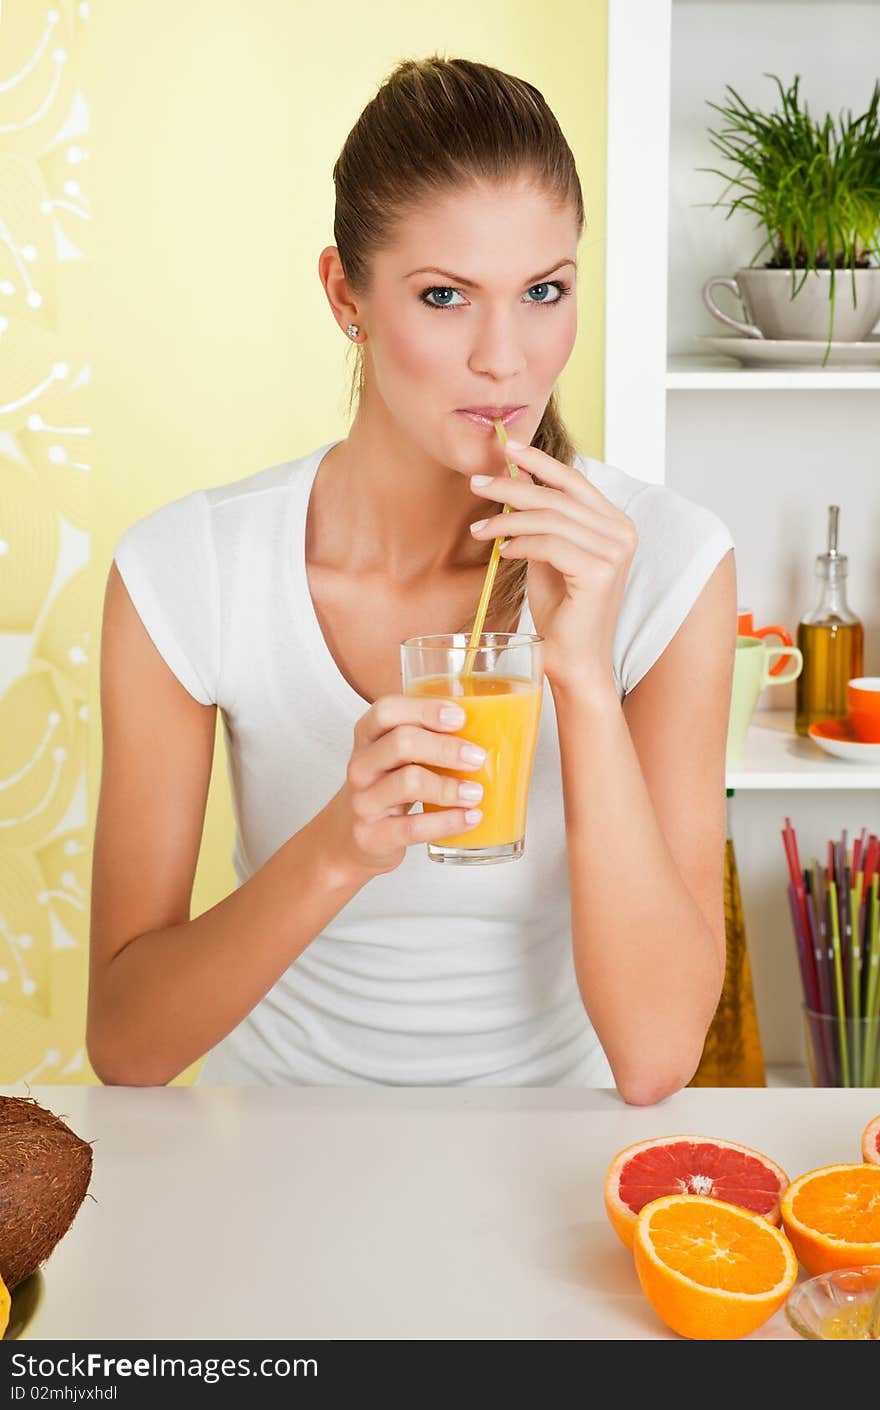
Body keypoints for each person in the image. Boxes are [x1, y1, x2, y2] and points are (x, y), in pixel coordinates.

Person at [87, 56, 737, 1100]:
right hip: (275, 1159)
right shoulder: (189, 569)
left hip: (554, 1170)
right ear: (346, 294)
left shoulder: (666, 562)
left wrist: (579, 679)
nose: (506, 359)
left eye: (543, 292)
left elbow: (657, 1057)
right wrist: (341, 846)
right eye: (444, 296)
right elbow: (127, 1046)